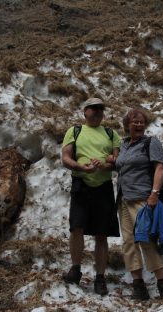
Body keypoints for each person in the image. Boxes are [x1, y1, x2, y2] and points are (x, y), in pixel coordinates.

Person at [61, 97, 121, 295]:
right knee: (76, 228)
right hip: (81, 185)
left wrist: (106, 165)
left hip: (103, 186)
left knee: (101, 234)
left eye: (100, 109)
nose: (97, 112)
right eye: (93, 109)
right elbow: (66, 157)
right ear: (84, 112)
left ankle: (100, 277)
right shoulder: (75, 131)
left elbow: (118, 162)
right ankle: (75, 269)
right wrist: (80, 167)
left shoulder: (111, 134)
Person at [114, 108, 163, 301]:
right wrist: (110, 161)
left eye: (141, 122)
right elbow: (121, 164)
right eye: (135, 122)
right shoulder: (124, 145)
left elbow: (159, 168)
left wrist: (154, 194)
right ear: (127, 125)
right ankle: (138, 287)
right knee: (129, 243)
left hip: (143, 199)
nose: (139, 125)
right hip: (124, 200)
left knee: (147, 241)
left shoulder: (150, 142)